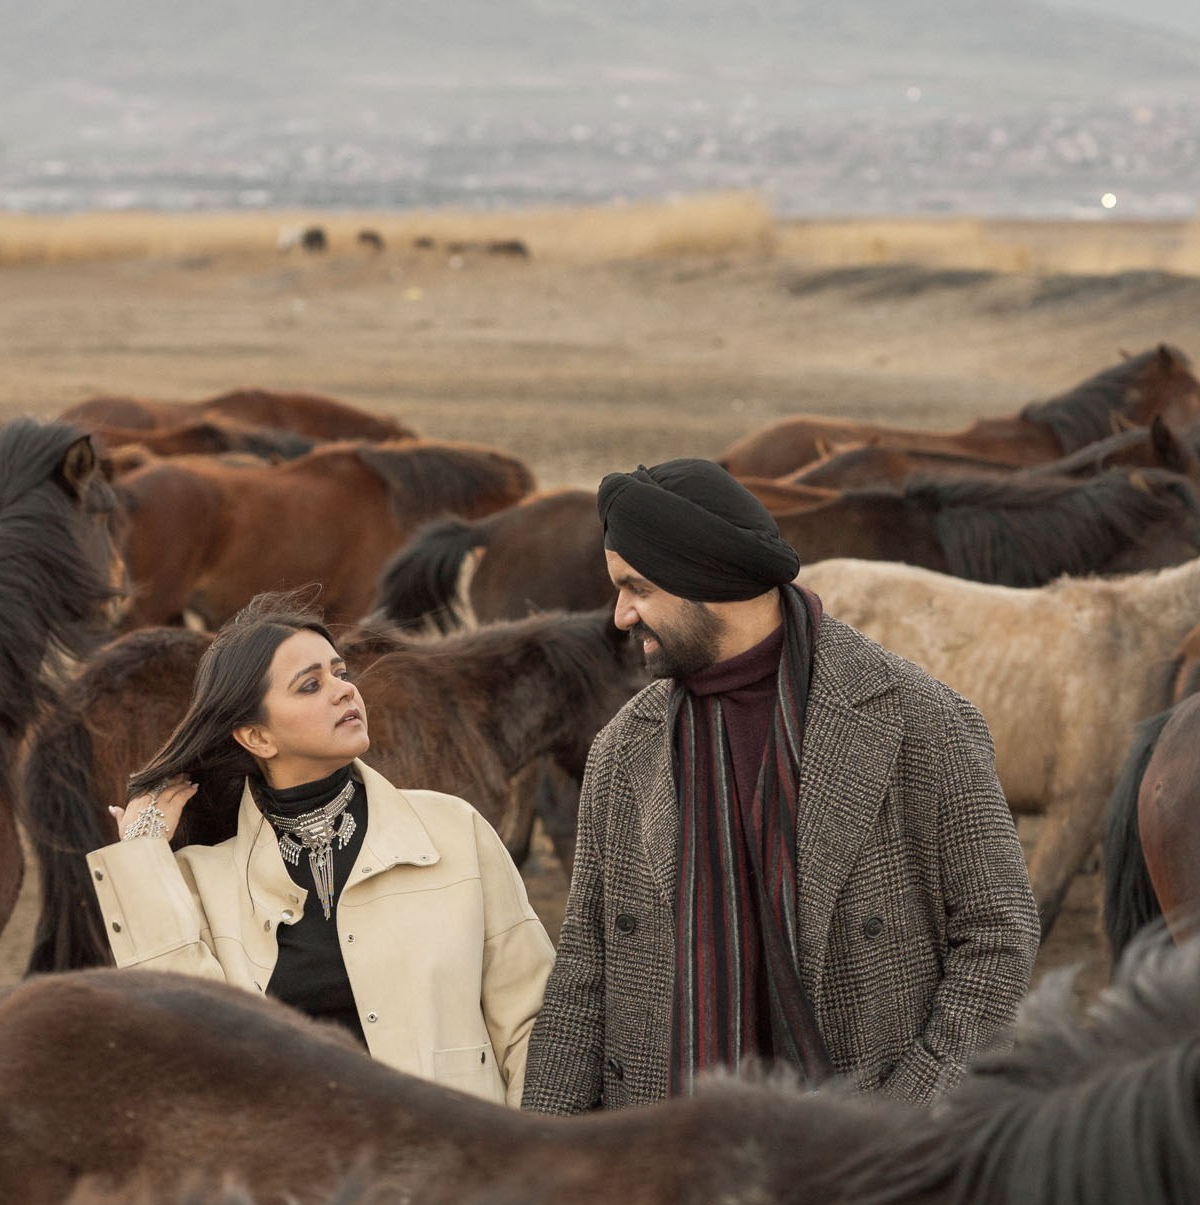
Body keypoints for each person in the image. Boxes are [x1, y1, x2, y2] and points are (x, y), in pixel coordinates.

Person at [521, 459, 1038, 1111]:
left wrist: (904, 1114)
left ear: (706, 577)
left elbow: (998, 937)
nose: (621, 615)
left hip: (869, 1155)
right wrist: (553, 1159)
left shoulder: (919, 721)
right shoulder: (625, 748)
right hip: (665, 1149)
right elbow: (584, 977)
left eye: (638, 588)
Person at [88, 590, 551, 1103]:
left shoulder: (453, 829)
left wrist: (527, 1158)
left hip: (461, 1165)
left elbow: (531, 1019)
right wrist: (142, 857)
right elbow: (182, 1043)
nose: (344, 691)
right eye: (311, 685)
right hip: (295, 1176)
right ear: (257, 738)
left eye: (341, 673)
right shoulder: (201, 880)